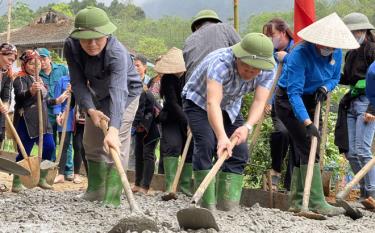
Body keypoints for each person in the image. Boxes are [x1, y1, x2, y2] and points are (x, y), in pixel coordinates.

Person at [274, 13, 359, 216]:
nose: (328, 49)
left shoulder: (336, 53)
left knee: (304, 146)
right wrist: (306, 122)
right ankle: (315, 201)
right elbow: (294, 94)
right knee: (308, 142)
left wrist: (325, 88)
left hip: (314, 97)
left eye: (332, 46)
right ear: (316, 41)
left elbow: (335, 77)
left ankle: (297, 200)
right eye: (325, 45)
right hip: (288, 101)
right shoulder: (299, 55)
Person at [182, 33, 276, 210]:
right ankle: (205, 204)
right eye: (245, 68)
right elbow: (213, 102)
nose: (249, 73)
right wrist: (222, 137)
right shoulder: (221, 63)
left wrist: (247, 126)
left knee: (240, 151)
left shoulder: (268, 69)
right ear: (238, 57)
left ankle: (227, 204)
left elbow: (259, 101)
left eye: (254, 70)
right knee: (207, 144)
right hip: (199, 101)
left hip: (230, 104)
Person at [64, 6, 142, 207]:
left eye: (97, 38)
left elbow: (119, 91)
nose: (91, 44)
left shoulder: (117, 53)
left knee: (116, 143)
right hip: (96, 97)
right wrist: (90, 110)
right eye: (86, 38)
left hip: (126, 94)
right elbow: (78, 82)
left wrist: (114, 129)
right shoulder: (71, 46)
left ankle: (113, 195)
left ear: (107, 33)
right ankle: (96, 190)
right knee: (90, 142)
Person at [12, 49, 69, 193]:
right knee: (25, 150)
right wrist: (31, 91)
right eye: (31, 63)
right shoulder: (19, 78)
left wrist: (58, 99)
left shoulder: (40, 79)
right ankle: (17, 181)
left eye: (37, 63)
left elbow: (44, 101)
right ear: (25, 64)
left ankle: (42, 177)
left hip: (42, 120)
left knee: (50, 146)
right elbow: (19, 97)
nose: (35, 66)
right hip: (26, 120)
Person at [337, 12, 375, 201]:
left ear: (362, 30)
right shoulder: (351, 52)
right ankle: (363, 192)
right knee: (351, 153)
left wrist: (372, 110)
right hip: (351, 102)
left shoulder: (373, 50)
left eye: (354, 32)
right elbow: (349, 79)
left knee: (363, 150)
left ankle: (372, 192)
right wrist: (332, 73)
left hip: (367, 101)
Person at [262, 18, 295, 191]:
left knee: (297, 141)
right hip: (278, 103)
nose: (270, 39)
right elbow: (265, 80)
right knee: (281, 133)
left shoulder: (297, 50)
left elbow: (302, 68)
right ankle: (275, 170)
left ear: (283, 32)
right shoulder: (270, 54)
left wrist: (288, 59)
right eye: (267, 36)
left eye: (272, 34)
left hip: (297, 102)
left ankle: (290, 186)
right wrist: (266, 102)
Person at [157, 47, 193, 196]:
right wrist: (186, 122)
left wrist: (191, 121)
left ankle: (185, 188)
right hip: (172, 118)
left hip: (191, 116)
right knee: (172, 146)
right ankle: (170, 186)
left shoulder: (191, 75)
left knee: (190, 150)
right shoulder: (167, 79)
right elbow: (172, 103)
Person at [38, 48, 74, 180]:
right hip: (47, 111)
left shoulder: (62, 69)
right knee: (50, 141)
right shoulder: (38, 74)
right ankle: (52, 167)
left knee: (65, 141)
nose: (42, 62)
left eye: (44, 58)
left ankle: (68, 169)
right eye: (39, 59)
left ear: (49, 59)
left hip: (63, 111)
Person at [183, 9, 240, 81]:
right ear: (216, 22)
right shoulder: (224, 28)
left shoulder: (188, 41)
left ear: (196, 27)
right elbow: (243, 52)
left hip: (192, 87)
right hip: (219, 83)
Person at [52, 77, 83, 184]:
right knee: (63, 145)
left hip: (79, 117)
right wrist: (57, 114)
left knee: (78, 146)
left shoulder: (83, 79)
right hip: (64, 116)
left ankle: (77, 174)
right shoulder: (62, 80)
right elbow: (57, 98)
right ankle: (60, 174)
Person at [131, 83, 160, 194]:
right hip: (140, 129)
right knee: (138, 155)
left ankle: (145, 186)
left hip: (151, 129)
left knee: (148, 155)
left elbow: (140, 112)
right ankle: (138, 184)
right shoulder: (137, 93)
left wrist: (135, 125)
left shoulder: (144, 93)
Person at [0, 43, 17, 192]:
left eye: (12, 60)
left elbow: (6, 94)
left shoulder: (7, 73)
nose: (10, 62)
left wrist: (5, 104)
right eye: (8, 58)